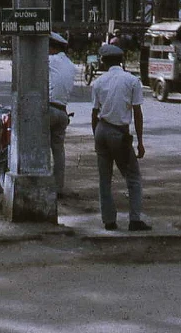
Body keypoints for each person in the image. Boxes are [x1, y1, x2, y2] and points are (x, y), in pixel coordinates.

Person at [90, 44, 152, 231]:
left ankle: (109, 220)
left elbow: (94, 113)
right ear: (122, 61)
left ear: (104, 62)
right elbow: (137, 112)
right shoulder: (132, 81)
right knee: (132, 176)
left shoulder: (98, 82)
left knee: (104, 178)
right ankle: (134, 219)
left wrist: (96, 137)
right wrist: (140, 141)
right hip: (119, 132)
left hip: (102, 129)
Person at [48, 32, 77, 196]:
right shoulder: (71, 65)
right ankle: (58, 187)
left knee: (41, 147)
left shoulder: (51, 60)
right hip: (62, 112)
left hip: (49, 109)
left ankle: (41, 181)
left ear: (52, 47)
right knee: (58, 151)